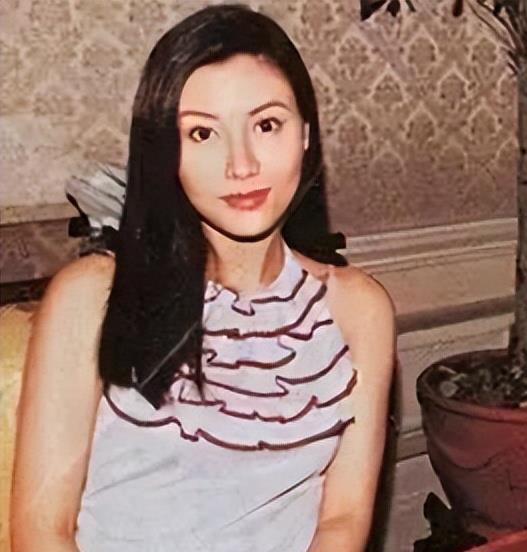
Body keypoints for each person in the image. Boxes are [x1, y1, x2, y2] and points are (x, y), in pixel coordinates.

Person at [11, 5, 395, 551]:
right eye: (202, 133)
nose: (241, 165)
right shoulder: (92, 295)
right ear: (166, 153)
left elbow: (343, 518)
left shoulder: (359, 310)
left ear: (307, 133)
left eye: (266, 125)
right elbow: (40, 531)